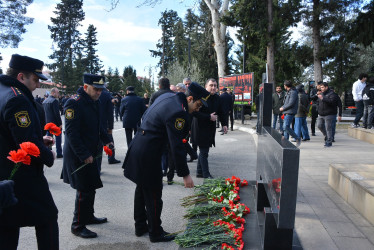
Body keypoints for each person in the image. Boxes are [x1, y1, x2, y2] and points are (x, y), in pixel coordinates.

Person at [123, 81, 209, 242]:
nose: (199, 108)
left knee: (142, 189)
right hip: (149, 154)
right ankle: (156, 232)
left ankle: (140, 226)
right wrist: (185, 175)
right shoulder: (178, 112)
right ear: (189, 98)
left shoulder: (170, 97)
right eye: (198, 104)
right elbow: (176, 146)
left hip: (140, 146)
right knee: (155, 194)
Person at [0, 54, 59, 249]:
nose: (36, 84)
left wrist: (36, 138)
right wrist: (48, 155)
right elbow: (26, 142)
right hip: (20, 173)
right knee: (48, 217)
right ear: (20, 77)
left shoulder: (4, 91)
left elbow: (9, 133)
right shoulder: (18, 99)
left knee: (7, 223)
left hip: (4, 172)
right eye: (34, 79)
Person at [62, 73, 113, 238]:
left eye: (101, 90)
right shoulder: (74, 103)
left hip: (92, 152)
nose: (99, 92)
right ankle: (77, 225)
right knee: (83, 190)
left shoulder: (94, 101)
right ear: (85, 87)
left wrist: (107, 140)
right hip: (79, 154)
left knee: (91, 187)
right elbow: (71, 133)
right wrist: (84, 154)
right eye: (95, 89)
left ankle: (88, 216)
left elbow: (99, 125)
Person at [191, 78, 227, 179]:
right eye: (211, 85)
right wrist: (208, 117)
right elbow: (194, 112)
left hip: (210, 128)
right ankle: (206, 174)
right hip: (199, 127)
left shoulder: (217, 98)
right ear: (206, 86)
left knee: (204, 150)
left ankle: (199, 172)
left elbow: (221, 112)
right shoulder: (200, 97)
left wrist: (224, 124)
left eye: (215, 85)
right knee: (204, 151)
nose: (213, 87)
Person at [99, 87, 121, 165]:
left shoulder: (90, 94)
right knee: (109, 141)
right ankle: (111, 158)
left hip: (94, 124)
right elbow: (110, 113)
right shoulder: (106, 95)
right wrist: (110, 127)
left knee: (97, 146)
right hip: (105, 124)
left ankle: (97, 167)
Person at [317, 82, 340, 147]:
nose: (321, 89)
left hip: (329, 114)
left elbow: (331, 102)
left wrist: (323, 98)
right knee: (319, 125)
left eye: (322, 87)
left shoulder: (332, 94)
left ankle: (329, 141)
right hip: (321, 114)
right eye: (321, 87)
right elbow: (319, 103)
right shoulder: (321, 94)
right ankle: (327, 136)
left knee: (328, 128)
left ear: (326, 87)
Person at [43, 87, 63, 158]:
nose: (58, 94)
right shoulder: (54, 101)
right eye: (57, 92)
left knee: (48, 139)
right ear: (53, 93)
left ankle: (48, 153)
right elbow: (57, 114)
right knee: (58, 139)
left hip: (48, 123)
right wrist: (60, 124)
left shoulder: (45, 101)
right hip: (55, 124)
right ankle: (59, 153)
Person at [280, 80, 301, 146]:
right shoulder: (289, 92)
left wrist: (283, 108)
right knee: (286, 128)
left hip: (290, 112)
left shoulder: (293, 92)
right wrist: (283, 107)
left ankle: (297, 138)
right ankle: (286, 143)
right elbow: (286, 102)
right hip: (287, 112)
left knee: (286, 127)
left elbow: (291, 103)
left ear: (285, 86)